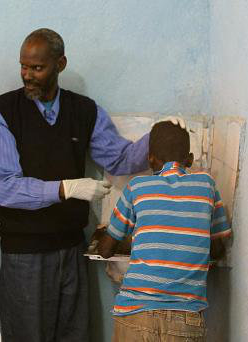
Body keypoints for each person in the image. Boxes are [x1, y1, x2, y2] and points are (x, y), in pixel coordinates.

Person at [0, 28, 184, 342]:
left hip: (72, 249)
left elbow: (118, 159)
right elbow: (3, 186)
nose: (28, 75)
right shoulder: (3, 113)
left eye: (37, 68)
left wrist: (159, 135)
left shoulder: (84, 111)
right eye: (23, 66)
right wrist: (66, 188)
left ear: (60, 64)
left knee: (75, 336)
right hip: (25, 253)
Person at [97, 120, 232, 341]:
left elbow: (105, 249)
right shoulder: (207, 185)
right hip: (186, 316)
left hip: (135, 313)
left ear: (150, 158)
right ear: (189, 159)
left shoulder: (137, 187)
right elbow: (216, 249)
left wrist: (134, 240)